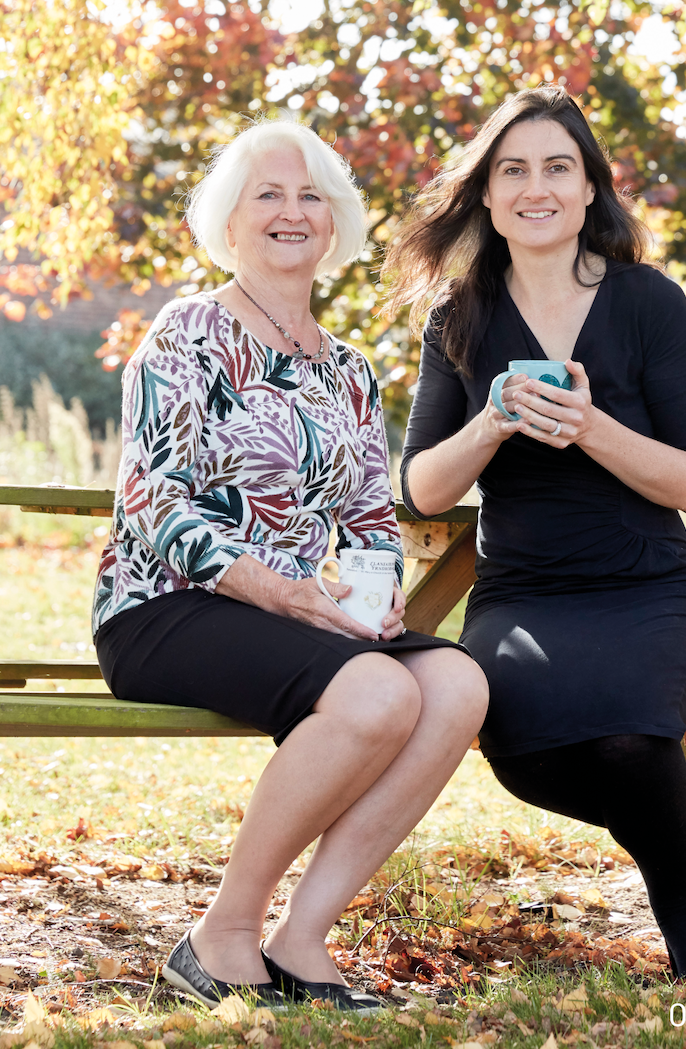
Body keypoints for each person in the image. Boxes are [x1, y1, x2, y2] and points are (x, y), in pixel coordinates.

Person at [92, 121, 488, 1010]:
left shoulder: (349, 369)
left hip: (301, 617)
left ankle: (302, 940)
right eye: (267, 193)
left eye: (311, 195)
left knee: (458, 684)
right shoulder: (186, 332)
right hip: (167, 605)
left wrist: (379, 599)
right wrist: (285, 594)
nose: (291, 211)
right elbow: (154, 505)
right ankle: (218, 936)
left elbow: (365, 515)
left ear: (335, 222)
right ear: (229, 220)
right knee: (379, 694)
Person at [386, 87, 686, 981]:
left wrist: (592, 427)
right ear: (486, 195)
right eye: (512, 170)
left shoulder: (649, 303)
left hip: (648, 587)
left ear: (591, 187)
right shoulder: (459, 316)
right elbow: (420, 490)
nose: (536, 187)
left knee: (631, 737)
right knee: (522, 750)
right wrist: (487, 426)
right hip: (525, 595)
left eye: (558, 167)